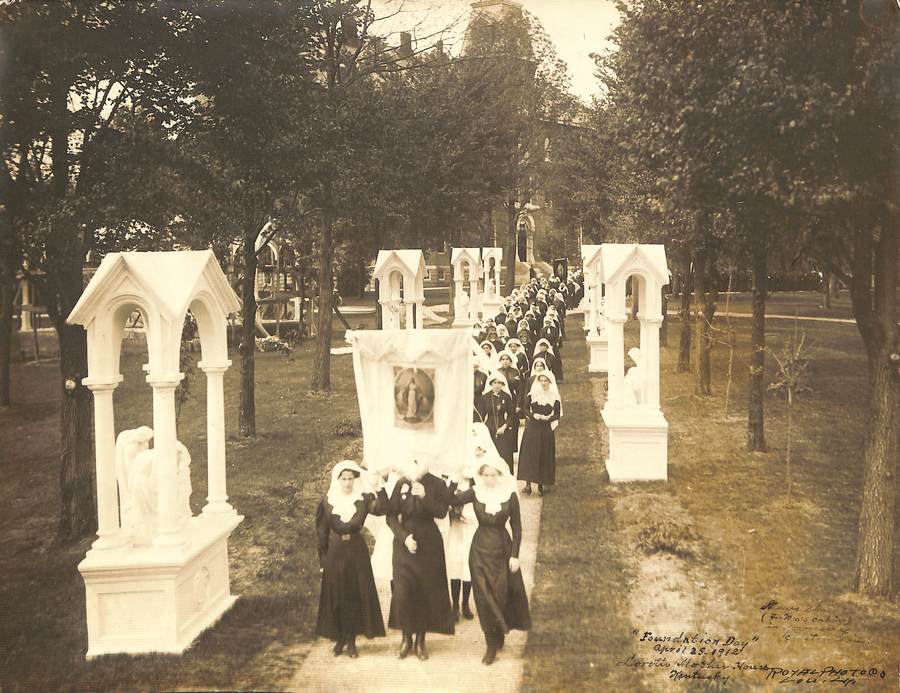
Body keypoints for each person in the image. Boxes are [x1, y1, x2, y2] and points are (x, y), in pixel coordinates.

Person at [449, 452, 531, 665]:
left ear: (500, 475)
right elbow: (452, 500)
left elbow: (517, 526)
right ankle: (490, 645)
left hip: (502, 549)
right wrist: (455, 479)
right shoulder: (476, 492)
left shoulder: (509, 495)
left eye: (493, 475)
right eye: (485, 475)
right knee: (484, 597)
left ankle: (499, 633)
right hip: (479, 551)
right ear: (481, 476)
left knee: (501, 594)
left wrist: (515, 555)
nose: (489, 479)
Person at [315, 460, 387, 658]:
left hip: (357, 551)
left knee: (354, 594)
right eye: (344, 479)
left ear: (355, 480)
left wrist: (380, 488)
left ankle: (353, 641)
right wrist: (323, 561)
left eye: (350, 479)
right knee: (337, 595)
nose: (347, 483)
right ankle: (340, 639)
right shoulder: (327, 502)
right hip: (336, 553)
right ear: (337, 480)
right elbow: (321, 533)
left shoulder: (363, 499)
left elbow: (382, 509)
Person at [386, 457, 455, 660]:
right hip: (404, 544)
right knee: (404, 591)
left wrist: (425, 496)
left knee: (424, 590)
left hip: (429, 543)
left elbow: (442, 512)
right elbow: (390, 516)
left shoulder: (436, 483)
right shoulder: (401, 483)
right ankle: (406, 637)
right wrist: (404, 537)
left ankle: (420, 641)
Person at [517, 371, 562, 496]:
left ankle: (541, 484)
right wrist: (533, 415)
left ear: (550, 382)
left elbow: (557, 414)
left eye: (545, 380)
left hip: (545, 429)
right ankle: (528, 485)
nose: (543, 383)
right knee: (529, 455)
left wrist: (549, 418)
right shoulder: (533, 394)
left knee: (544, 454)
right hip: (532, 427)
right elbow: (525, 409)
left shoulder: (554, 396)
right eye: (541, 380)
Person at [477, 371, 517, 473]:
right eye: (494, 383)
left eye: (499, 383)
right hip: (489, 428)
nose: (497, 385)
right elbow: (481, 415)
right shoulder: (485, 397)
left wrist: (504, 427)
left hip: (503, 428)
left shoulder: (506, 397)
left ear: (503, 384)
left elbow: (511, 415)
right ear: (490, 384)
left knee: (505, 455)